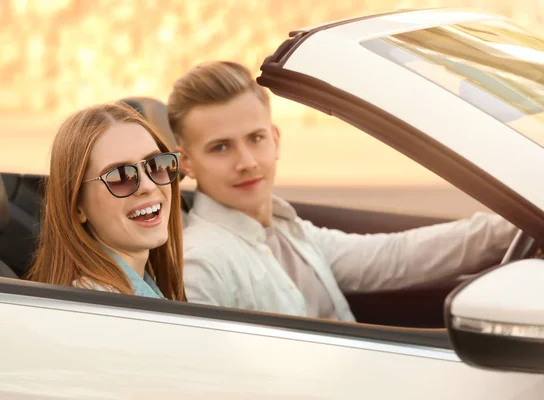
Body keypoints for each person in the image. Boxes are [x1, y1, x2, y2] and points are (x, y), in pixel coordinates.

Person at [166, 60, 516, 321]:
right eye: (220, 148)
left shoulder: (285, 230)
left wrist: (514, 226)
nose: (247, 162)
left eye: (255, 139)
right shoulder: (203, 262)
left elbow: (394, 256)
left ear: (274, 140)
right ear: (187, 163)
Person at [27, 103, 186, 301]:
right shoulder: (101, 309)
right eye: (120, 177)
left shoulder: (134, 294)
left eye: (156, 165)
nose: (148, 186)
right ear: (77, 207)